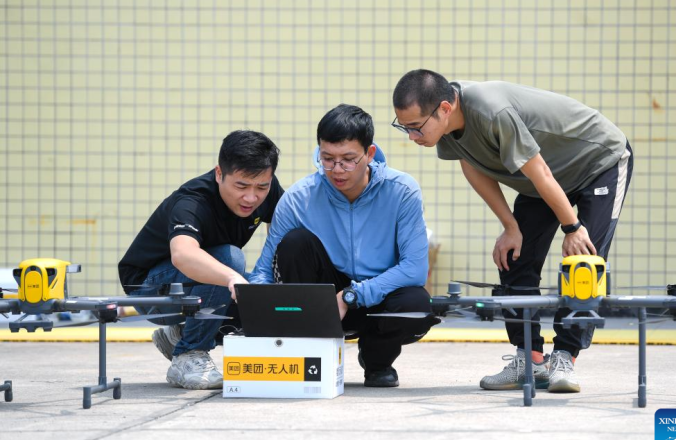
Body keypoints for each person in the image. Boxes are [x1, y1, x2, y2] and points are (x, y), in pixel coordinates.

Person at [392, 69, 633, 393]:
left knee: (584, 263)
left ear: (445, 109)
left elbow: (541, 171)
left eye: (415, 127)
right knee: (514, 256)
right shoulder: (448, 125)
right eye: (403, 128)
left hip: (597, 161)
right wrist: (510, 226)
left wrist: (573, 228)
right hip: (543, 181)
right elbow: (471, 165)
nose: (412, 137)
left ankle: (565, 357)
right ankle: (531, 359)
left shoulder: (492, 111)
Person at [249, 104, 438, 387]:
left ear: (369, 154)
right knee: (295, 243)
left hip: (378, 297)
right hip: (321, 301)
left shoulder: (402, 191)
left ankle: (377, 361)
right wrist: (256, 300)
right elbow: (265, 269)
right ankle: (312, 355)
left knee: (416, 303)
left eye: (348, 159)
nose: (337, 170)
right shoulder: (299, 197)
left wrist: (352, 295)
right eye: (327, 159)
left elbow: (414, 269)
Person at [118, 130, 283, 390]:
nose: (252, 197)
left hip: (193, 288)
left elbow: (281, 238)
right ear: (219, 174)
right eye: (241, 186)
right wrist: (231, 277)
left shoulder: (268, 191)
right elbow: (183, 255)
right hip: (150, 291)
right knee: (230, 259)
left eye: (262, 187)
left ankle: (180, 335)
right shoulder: (193, 201)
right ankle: (188, 354)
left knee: (263, 295)